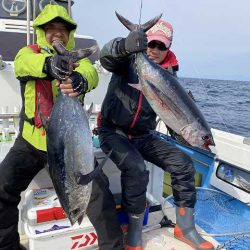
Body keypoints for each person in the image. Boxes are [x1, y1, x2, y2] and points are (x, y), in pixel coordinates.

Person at [0, 4, 123, 250]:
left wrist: (79, 78)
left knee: (100, 197)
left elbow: (91, 73)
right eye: (51, 29)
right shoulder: (28, 53)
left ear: (70, 34)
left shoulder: (79, 61)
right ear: (41, 32)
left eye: (62, 29)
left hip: (72, 145)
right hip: (32, 142)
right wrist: (49, 65)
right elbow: (25, 65)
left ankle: (113, 248)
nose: (57, 33)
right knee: (1, 188)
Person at [98, 18, 215, 250]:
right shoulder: (127, 61)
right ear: (145, 42)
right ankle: (133, 232)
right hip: (114, 132)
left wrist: (182, 135)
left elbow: (173, 119)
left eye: (162, 46)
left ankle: (185, 228)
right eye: (151, 44)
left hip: (144, 135)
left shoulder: (170, 78)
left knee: (183, 163)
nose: (155, 50)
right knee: (136, 169)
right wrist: (124, 45)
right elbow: (106, 57)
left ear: (168, 49)